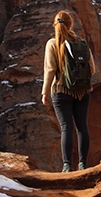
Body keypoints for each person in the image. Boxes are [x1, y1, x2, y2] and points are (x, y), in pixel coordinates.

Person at [41, 10, 96, 172]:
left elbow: (50, 70)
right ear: (71, 24)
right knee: (82, 127)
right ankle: (83, 164)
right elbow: (92, 69)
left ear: (55, 24)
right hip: (83, 91)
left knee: (66, 127)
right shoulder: (81, 43)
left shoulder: (52, 43)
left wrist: (45, 92)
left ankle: (66, 166)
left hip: (60, 90)